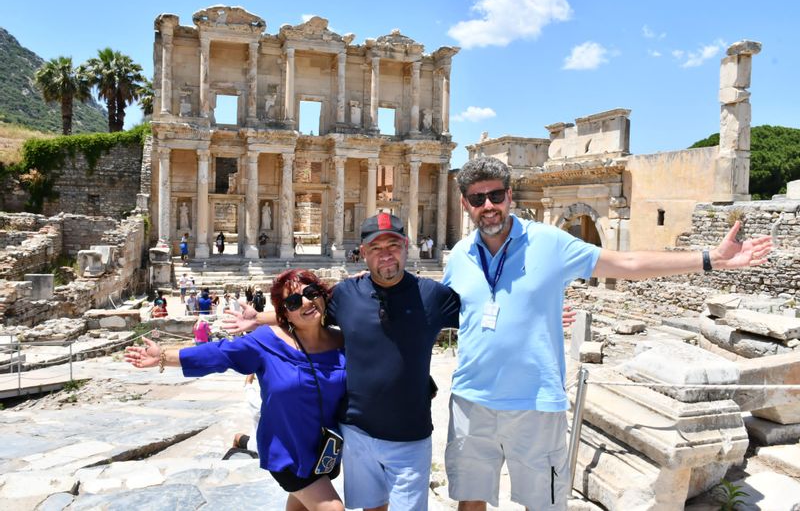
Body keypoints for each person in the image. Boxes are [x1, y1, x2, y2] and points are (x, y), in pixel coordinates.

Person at [442, 156, 773, 511]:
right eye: (477, 199)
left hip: (535, 404)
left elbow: (627, 264)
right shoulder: (460, 256)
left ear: (509, 196)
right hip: (471, 400)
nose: (488, 206)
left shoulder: (550, 242)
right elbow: (455, 314)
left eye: (495, 195)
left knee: (545, 505)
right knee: (469, 502)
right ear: (465, 204)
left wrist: (710, 258)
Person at [224, 213, 460, 511]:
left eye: (393, 245)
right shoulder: (347, 294)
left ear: (406, 246)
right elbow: (308, 311)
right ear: (363, 253)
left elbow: (480, 318)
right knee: (372, 508)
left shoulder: (433, 295)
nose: (385, 254)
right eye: (376, 248)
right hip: (357, 433)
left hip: (410, 435)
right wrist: (257, 318)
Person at [124, 269, 346, 510]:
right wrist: (165, 356)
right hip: (287, 452)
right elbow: (220, 353)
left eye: (311, 293)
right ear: (285, 314)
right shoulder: (267, 342)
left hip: (324, 450)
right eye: (293, 301)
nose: (306, 301)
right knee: (332, 507)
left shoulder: (344, 340)